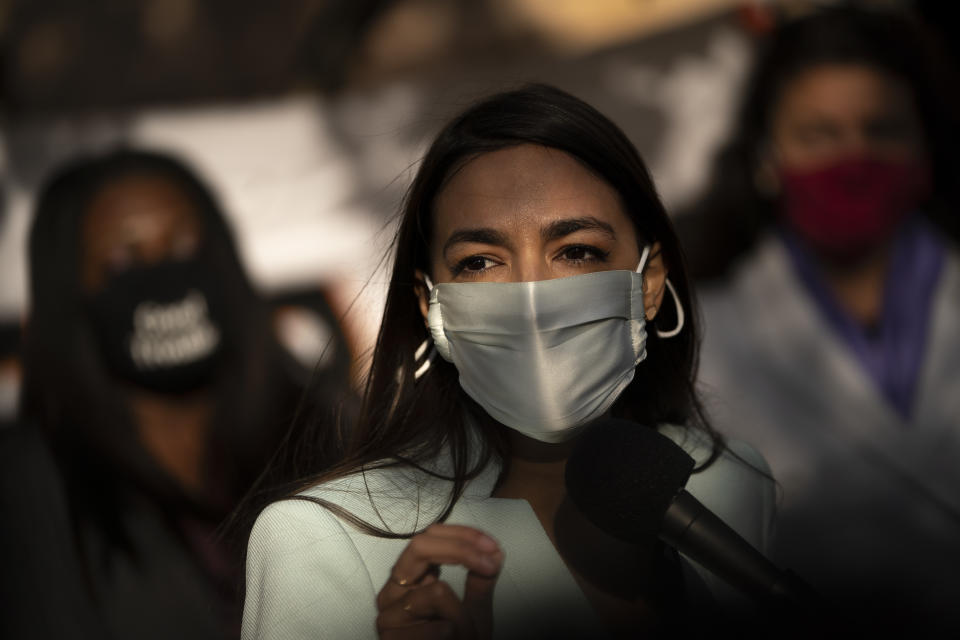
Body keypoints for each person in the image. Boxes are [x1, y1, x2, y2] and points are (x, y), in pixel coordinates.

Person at [242, 84, 775, 640]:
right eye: (479, 262)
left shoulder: (727, 484)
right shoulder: (323, 541)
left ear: (649, 282)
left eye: (577, 251)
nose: (531, 297)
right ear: (431, 305)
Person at [681, 6, 960, 633]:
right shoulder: (706, 336)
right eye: (820, 134)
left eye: (881, 129)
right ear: (767, 157)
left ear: (925, 147)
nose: (853, 158)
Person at [2, 149, 348, 640]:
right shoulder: (31, 484)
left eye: (184, 242)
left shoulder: (330, 433)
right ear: (69, 289)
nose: (163, 276)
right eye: (122, 260)